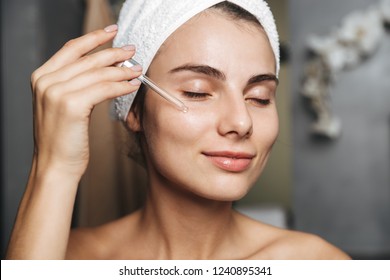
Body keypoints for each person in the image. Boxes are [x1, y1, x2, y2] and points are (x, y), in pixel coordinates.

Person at [6, 0, 350, 259]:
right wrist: (53, 168)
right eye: (197, 92)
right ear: (135, 110)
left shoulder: (317, 263)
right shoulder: (69, 259)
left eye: (259, 98)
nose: (241, 123)